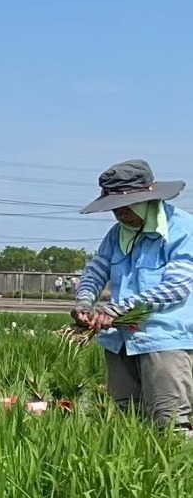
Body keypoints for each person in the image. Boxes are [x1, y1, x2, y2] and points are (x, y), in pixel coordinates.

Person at [72, 159, 193, 434]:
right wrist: (84, 303)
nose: (121, 214)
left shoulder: (182, 229)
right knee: (128, 422)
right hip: (120, 342)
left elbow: (177, 286)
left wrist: (118, 310)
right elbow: (96, 269)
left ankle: (179, 476)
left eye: (127, 206)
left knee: (169, 420)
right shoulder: (117, 234)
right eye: (115, 208)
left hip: (163, 341)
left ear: (149, 198)